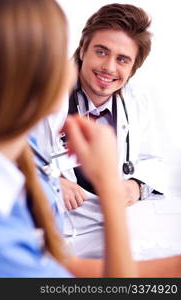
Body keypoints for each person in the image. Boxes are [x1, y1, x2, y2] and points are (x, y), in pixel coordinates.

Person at [0, 0, 137, 278]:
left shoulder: (22, 145)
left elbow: (52, 262)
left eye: (122, 59)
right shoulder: (3, 242)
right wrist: (109, 183)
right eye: (59, 54)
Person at [52, 3, 165, 258]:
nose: (109, 68)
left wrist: (136, 186)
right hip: (52, 227)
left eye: (122, 59)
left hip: (110, 228)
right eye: (101, 52)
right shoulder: (45, 95)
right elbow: (7, 158)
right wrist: (51, 182)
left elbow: (155, 162)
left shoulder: (138, 102)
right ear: (83, 49)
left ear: (133, 67)